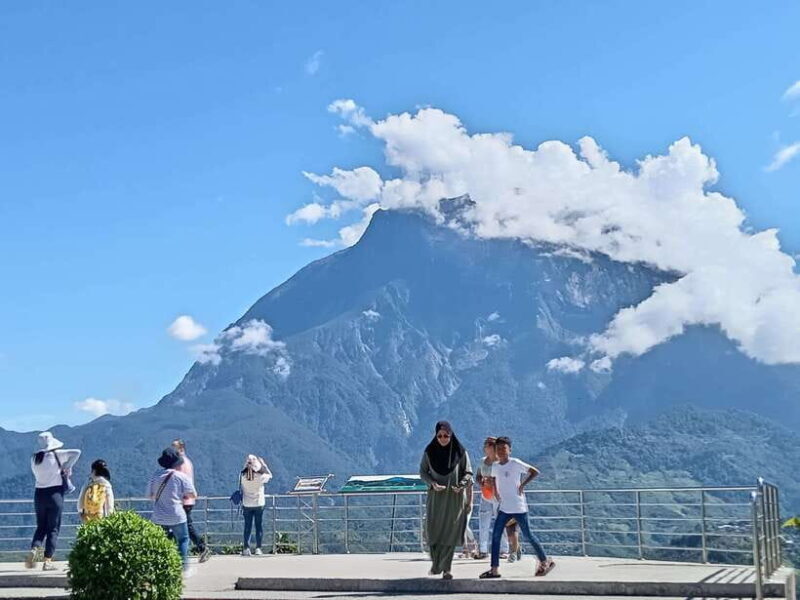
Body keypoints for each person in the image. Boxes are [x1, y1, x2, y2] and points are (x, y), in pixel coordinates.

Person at [479, 436, 555, 579]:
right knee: (495, 536)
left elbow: (534, 471)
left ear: (510, 450)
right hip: (504, 508)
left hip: (519, 507)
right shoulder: (495, 466)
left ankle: (545, 561)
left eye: (504, 448)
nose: (501, 451)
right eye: (499, 448)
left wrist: (523, 484)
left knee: (528, 535)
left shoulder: (515, 463)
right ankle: (494, 570)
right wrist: (495, 491)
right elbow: (494, 478)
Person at [419, 421, 472, 580]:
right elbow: (423, 472)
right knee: (434, 532)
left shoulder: (460, 452)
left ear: (451, 435)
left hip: (454, 499)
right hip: (436, 498)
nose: (443, 439)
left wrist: (461, 485)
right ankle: (436, 564)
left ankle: (447, 569)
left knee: (450, 532)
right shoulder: (429, 452)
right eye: (440, 436)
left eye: (446, 436)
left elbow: (468, 472)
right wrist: (432, 484)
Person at [25, 432, 81, 571]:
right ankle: (47, 561)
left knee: (41, 526)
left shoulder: (34, 458)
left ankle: (35, 549)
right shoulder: (58, 454)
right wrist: (66, 466)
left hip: (39, 494)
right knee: (53, 529)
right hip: (55, 494)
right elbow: (77, 452)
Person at [147, 447, 197, 576]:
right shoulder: (181, 476)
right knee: (183, 540)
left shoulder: (155, 476)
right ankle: (183, 569)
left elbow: (149, 495)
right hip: (177, 515)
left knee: (159, 542)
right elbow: (192, 494)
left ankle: (160, 569)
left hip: (158, 516)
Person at [172, 439, 210, 562]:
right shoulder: (187, 462)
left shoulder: (180, 464)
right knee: (184, 527)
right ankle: (197, 548)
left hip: (183, 501)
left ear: (181, 449)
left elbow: (180, 483)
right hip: (188, 500)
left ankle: (201, 547)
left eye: (174, 447)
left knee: (184, 527)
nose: (172, 449)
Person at [475, 437, 509, 560]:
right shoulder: (482, 461)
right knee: (483, 524)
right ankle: (483, 550)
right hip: (486, 496)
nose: (486, 446)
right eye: (485, 444)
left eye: (488, 444)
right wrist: (482, 482)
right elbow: (478, 475)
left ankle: (504, 550)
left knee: (501, 523)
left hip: (499, 497)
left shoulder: (500, 463)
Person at [240, 454, 273, 556]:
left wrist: (246, 465)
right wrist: (264, 465)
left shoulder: (243, 476)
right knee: (258, 526)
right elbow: (270, 475)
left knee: (247, 526)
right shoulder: (261, 477)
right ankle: (258, 548)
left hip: (246, 504)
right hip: (259, 503)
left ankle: (246, 548)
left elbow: (244, 471)